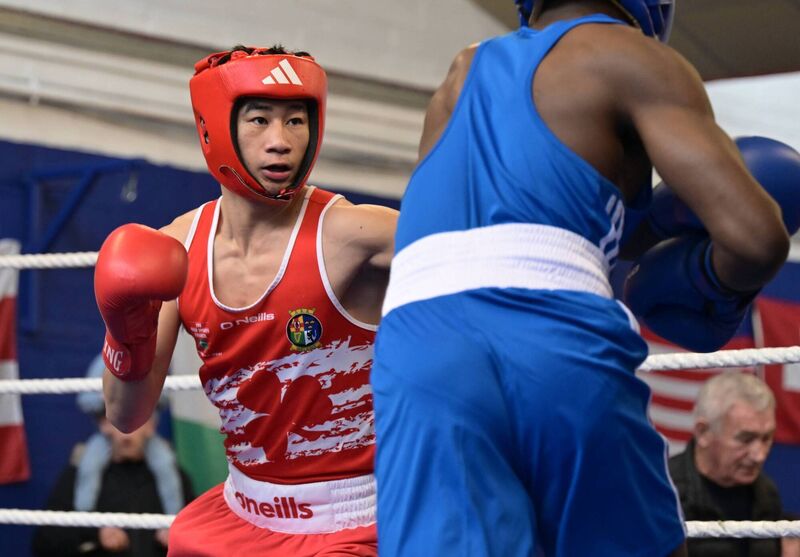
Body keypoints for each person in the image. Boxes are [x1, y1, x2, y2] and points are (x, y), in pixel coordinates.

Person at [371, 1, 792, 556]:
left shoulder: (460, 73)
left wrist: (660, 221)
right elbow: (757, 236)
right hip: (550, 334)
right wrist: (710, 289)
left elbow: (534, 221)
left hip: (417, 350)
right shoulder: (631, 56)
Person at [95, 45, 397, 556]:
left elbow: (486, 259)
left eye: (296, 121)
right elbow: (126, 415)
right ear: (215, 125)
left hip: (356, 523)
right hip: (243, 515)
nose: (281, 142)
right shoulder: (179, 249)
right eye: (259, 120)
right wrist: (126, 330)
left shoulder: (352, 233)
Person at [32, 354, 193, 557]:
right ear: (103, 424)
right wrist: (94, 535)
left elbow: (202, 541)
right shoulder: (77, 475)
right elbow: (44, 543)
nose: (127, 432)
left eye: (138, 418)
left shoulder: (176, 479)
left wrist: (180, 537)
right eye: (119, 419)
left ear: (152, 425)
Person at [669, 371, 783, 557]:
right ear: (703, 432)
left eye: (767, 438)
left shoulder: (767, 494)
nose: (759, 455)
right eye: (746, 439)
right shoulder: (664, 494)